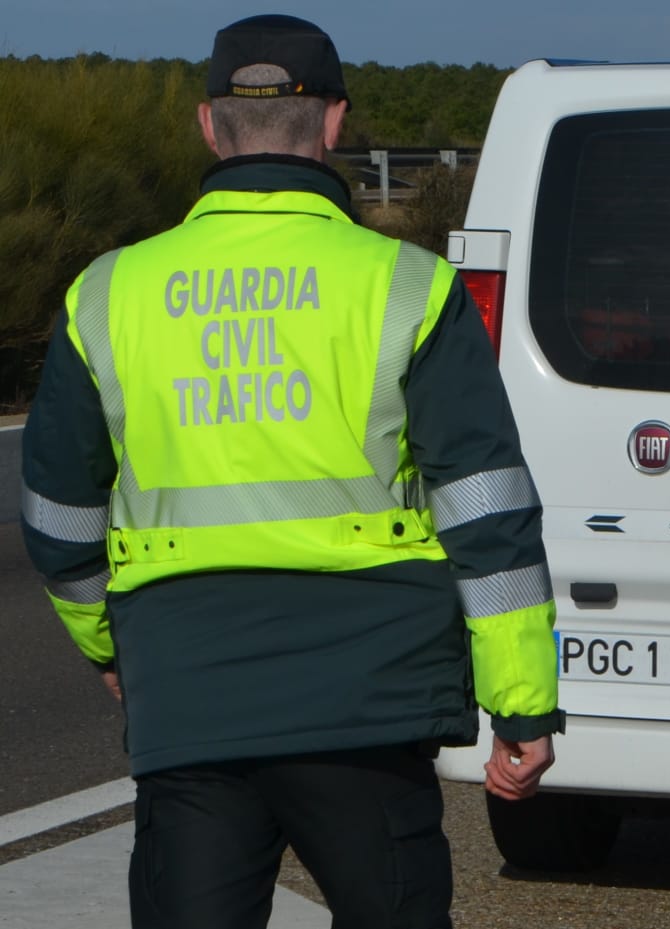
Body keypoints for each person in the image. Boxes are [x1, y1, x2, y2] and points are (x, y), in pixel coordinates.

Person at [19, 14, 561, 929]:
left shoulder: (107, 294)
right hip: (370, 698)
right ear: (336, 123)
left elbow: (59, 517)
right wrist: (523, 705)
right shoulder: (408, 286)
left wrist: (111, 642)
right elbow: (486, 510)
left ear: (207, 125)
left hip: (189, 693)